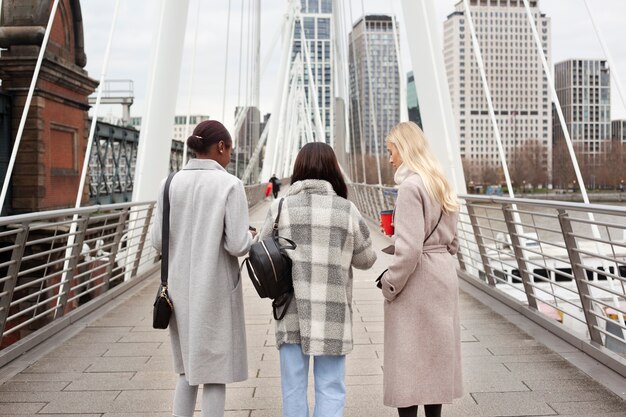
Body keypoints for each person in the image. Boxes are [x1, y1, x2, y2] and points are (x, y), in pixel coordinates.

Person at [257, 142, 377, 417]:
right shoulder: (346, 210)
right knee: (331, 387)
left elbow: (262, 250)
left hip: (290, 309)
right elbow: (366, 260)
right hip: (332, 312)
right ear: (333, 170)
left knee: (293, 388)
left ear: (298, 169)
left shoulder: (280, 208)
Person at [151, 120, 256, 417]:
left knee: (186, 371)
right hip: (215, 290)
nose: (230, 155)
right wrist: (252, 236)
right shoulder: (229, 185)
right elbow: (237, 244)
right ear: (221, 147)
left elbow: (158, 240)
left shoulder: (168, 184)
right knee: (214, 372)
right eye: (230, 149)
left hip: (177, 290)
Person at [379, 122, 462, 417]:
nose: (390, 159)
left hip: (418, 282)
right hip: (442, 272)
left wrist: (390, 283)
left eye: (392, 151)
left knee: (408, 362)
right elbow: (452, 242)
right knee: (435, 360)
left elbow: (411, 249)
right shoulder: (441, 182)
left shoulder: (410, 187)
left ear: (406, 149)